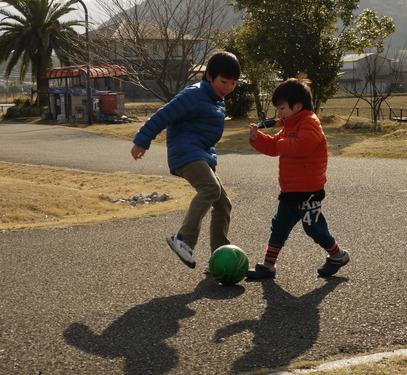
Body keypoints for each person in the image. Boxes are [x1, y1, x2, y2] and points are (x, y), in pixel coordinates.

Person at [130, 51, 241, 269]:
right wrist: (142, 141)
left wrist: (210, 159)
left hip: (199, 154)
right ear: (209, 76)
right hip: (185, 153)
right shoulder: (194, 94)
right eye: (224, 81)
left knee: (223, 203)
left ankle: (218, 257)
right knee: (210, 189)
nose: (228, 87)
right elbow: (163, 115)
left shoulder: (217, 100)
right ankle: (183, 240)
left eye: (233, 83)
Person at [246, 77, 349, 278]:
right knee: (279, 226)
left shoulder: (310, 122)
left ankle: (338, 255)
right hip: (290, 190)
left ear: (298, 105)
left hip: (308, 191)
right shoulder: (289, 126)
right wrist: (257, 139)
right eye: (278, 109)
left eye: (282, 108)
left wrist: (281, 142)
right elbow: (273, 147)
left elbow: (303, 146)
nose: (279, 113)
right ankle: (268, 265)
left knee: (314, 228)